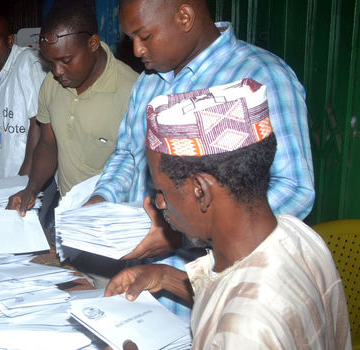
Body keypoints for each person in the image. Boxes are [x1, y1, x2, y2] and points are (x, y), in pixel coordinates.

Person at [84, 0, 315, 318]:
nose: (136, 50)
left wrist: (180, 235)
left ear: (184, 16)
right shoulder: (149, 82)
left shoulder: (259, 77)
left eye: (145, 36)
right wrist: (102, 198)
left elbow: (294, 190)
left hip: (214, 292)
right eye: (131, 38)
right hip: (143, 282)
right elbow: (127, 153)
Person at [104, 79, 351, 349]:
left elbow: (241, 313)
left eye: (162, 190)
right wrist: (165, 277)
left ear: (200, 190)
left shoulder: (245, 332)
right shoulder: (298, 234)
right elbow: (234, 293)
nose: (160, 203)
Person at [7, 0, 139, 211]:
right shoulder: (51, 84)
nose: (57, 71)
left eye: (66, 60)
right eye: (50, 62)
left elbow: (139, 167)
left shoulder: (132, 91)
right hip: (68, 212)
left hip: (115, 218)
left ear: (93, 43)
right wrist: (31, 188)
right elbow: (48, 144)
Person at [0, 13, 46, 177]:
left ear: (10, 41)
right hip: (2, 178)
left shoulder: (27, 62)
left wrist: (22, 180)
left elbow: (39, 124)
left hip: (28, 178)